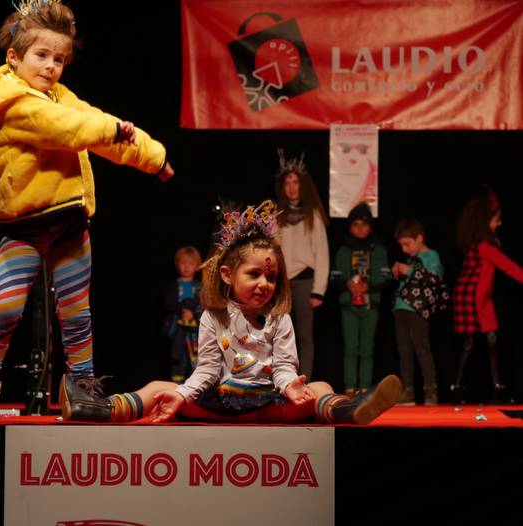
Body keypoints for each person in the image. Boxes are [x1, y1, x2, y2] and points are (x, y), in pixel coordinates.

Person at [0, 0, 174, 421]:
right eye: (41, 55)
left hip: (69, 222)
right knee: (5, 309)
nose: (51, 66)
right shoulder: (13, 101)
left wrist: (153, 157)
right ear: (14, 57)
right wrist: (111, 129)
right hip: (24, 226)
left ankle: (82, 387)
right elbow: (66, 128)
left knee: (77, 314)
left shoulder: (62, 97)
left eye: (58, 59)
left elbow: (95, 125)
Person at [59, 201, 402, 425]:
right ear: (227, 275)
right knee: (160, 388)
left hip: (269, 406)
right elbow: (207, 369)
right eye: (254, 274)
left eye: (271, 277)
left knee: (319, 387)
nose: (265, 283)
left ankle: (347, 409)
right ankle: (98, 410)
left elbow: (284, 367)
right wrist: (181, 397)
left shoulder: (280, 317)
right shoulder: (214, 316)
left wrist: (292, 389)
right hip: (220, 405)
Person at [451, 189, 523, 403]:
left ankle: (480, 386)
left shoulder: (476, 245)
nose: (499, 224)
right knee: (478, 341)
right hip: (475, 299)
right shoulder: (484, 247)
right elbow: (508, 267)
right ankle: (468, 386)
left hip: (476, 297)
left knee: (483, 341)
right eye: (496, 219)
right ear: (485, 221)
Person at [274, 151, 329, 380]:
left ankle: (304, 380)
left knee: (305, 335)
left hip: (306, 281)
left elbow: (322, 253)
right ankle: (283, 379)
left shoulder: (312, 215)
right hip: (282, 282)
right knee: (281, 334)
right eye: (287, 183)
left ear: (302, 185)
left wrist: (319, 290)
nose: (291, 187)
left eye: (295, 182)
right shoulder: (276, 216)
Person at [333, 203, 389, 397]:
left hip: (371, 304)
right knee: (350, 347)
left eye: (364, 224)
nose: (360, 229)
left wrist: (368, 286)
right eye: (355, 225)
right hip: (348, 305)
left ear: (370, 227)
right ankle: (350, 388)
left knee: (367, 348)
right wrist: (348, 283)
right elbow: (335, 277)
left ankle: (365, 388)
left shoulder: (378, 250)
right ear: (350, 227)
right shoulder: (343, 250)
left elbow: (386, 277)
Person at [392, 218, 446, 405]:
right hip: (401, 308)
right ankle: (407, 391)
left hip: (417, 310)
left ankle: (430, 390)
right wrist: (397, 272)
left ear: (419, 238)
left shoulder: (432, 256)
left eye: (407, 244)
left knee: (422, 349)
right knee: (404, 351)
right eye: (402, 245)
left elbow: (436, 279)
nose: (404, 249)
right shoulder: (411, 259)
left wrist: (409, 271)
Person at [163, 246, 203, 383]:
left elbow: (202, 304)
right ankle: (176, 384)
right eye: (183, 263)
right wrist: (183, 311)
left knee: (195, 355)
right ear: (177, 264)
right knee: (178, 355)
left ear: (197, 266)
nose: (186, 267)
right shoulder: (173, 285)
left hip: (194, 328)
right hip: (177, 327)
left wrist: (192, 313)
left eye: (190, 264)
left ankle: (193, 384)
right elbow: (170, 304)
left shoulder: (199, 286)